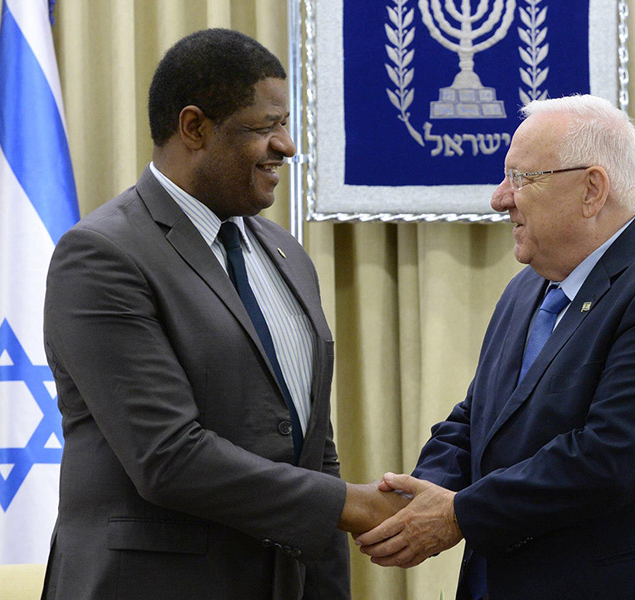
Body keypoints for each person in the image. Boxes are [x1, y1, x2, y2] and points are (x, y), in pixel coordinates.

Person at [41, 29, 405, 600]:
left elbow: (311, 445)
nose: (286, 145)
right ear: (194, 128)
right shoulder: (102, 255)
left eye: (285, 124)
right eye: (264, 127)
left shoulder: (286, 254)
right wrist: (353, 506)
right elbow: (168, 455)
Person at [355, 94, 635, 600]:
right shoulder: (528, 286)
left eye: (521, 178)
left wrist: (458, 515)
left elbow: (608, 458)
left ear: (592, 189)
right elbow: (476, 418)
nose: (500, 198)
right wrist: (419, 496)